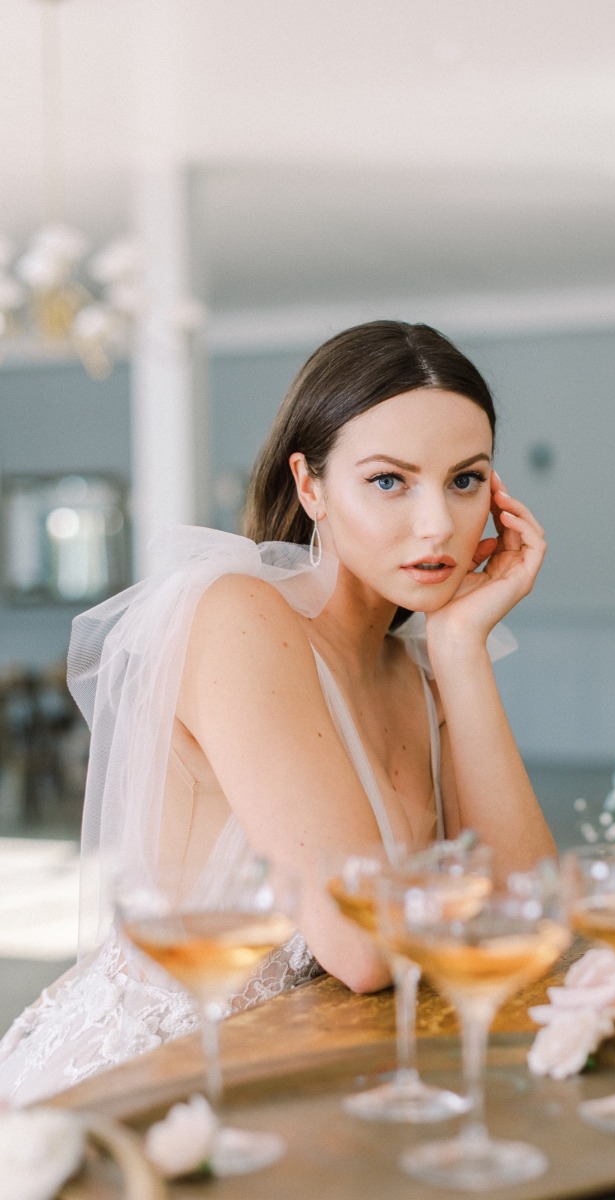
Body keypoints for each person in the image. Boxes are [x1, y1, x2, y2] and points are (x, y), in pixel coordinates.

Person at [0, 319, 555, 1106]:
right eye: (389, 481)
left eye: (465, 480)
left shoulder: (421, 670)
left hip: (313, 1076)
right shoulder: (240, 618)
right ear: (311, 486)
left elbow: (530, 914)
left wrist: (462, 645)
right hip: (151, 1082)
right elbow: (361, 951)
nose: (437, 525)